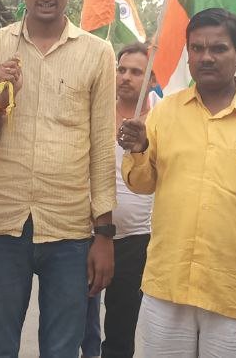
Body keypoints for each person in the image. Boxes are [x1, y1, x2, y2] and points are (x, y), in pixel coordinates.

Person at [118, 8, 236, 358]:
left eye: (218, 48)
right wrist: (140, 149)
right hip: (168, 285)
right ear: (188, 53)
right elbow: (143, 183)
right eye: (197, 48)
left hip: (235, 290)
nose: (206, 57)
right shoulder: (166, 111)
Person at [0, 0, 117, 357]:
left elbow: (103, 147)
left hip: (70, 230)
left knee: (62, 349)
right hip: (3, 225)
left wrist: (103, 234)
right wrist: (0, 98)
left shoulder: (98, 53)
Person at [94, 43, 156, 358]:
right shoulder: (96, 109)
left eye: (136, 71)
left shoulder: (164, 117)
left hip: (138, 239)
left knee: (120, 328)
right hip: (88, 232)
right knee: (78, 323)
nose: (126, 77)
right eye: (121, 69)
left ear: (153, 79)